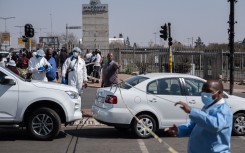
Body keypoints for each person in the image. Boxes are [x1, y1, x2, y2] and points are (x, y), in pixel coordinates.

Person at [165, 80, 233, 153]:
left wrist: (192, 111)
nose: (204, 94)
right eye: (203, 91)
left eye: (208, 91)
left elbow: (215, 125)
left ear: (218, 93)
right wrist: (179, 130)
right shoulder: (208, 106)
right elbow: (194, 125)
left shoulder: (224, 110)